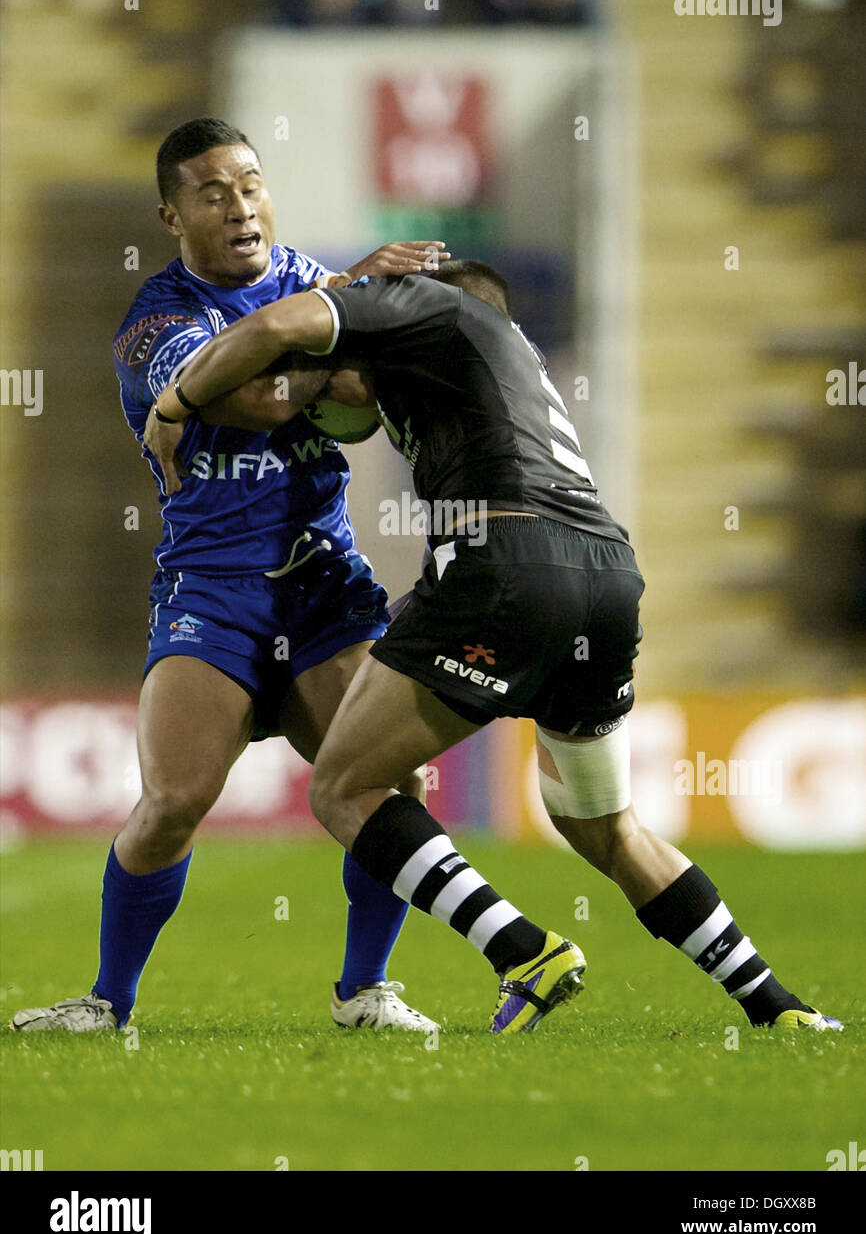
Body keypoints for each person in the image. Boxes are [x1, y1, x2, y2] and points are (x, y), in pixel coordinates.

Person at [139, 259, 842, 1036]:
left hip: (502, 565)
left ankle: (521, 949)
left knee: (346, 788)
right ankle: (777, 1006)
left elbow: (275, 328)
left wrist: (177, 402)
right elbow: (338, 396)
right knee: (606, 828)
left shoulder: (429, 309)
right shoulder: (501, 360)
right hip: (605, 576)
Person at [10, 117, 449, 1035]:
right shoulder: (154, 324)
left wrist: (348, 323)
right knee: (175, 800)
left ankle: (364, 991)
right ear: (173, 214)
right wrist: (333, 334)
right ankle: (107, 1003)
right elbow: (249, 399)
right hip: (214, 589)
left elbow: (359, 390)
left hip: (324, 579)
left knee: (391, 786)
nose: (240, 205)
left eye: (250, 183)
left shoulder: (316, 285)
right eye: (213, 192)